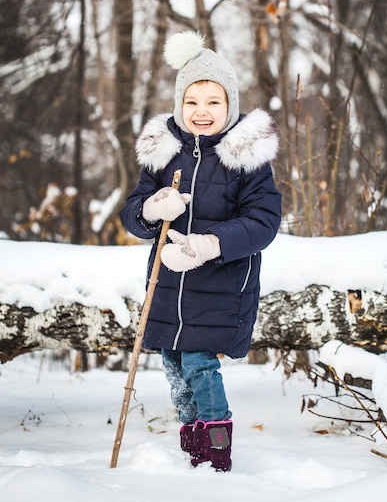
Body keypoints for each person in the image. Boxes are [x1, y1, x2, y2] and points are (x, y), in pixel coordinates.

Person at [119, 31, 282, 472]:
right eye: (192, 101)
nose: (202, 111)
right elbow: (132, 215)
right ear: (179, 104)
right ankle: (191, 443)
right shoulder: (163, 152)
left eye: (213, 101)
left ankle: (216, 451)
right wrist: (152, 209)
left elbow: (264, 222)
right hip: (168, 285)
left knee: (199, 363)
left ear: (229, 104)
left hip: (221, 284)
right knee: (174, 364)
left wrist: (210, 245)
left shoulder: (245, 157)